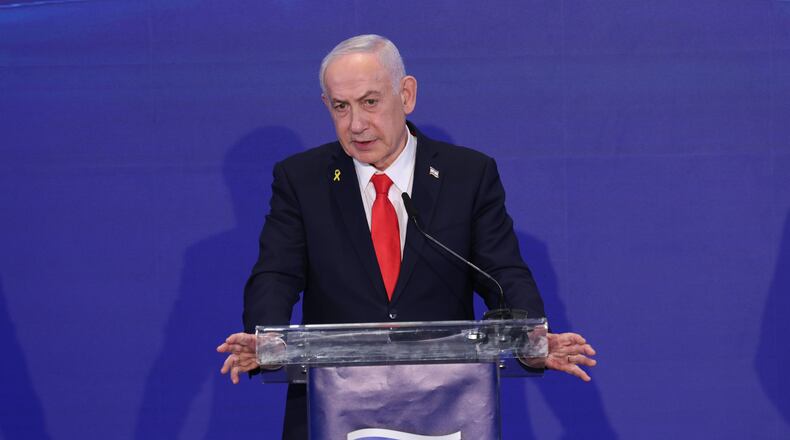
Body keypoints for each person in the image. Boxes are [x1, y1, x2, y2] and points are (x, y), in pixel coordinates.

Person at [217, 34, 597, 439]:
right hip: (334, 411)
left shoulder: (467, 175)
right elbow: (276, 274)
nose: (356, 124)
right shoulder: (301, 180)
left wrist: (531, 340)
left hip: (447, 409)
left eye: (370, 102)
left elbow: (504, 274)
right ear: (327, 106)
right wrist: (267, 336)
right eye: (341, 107)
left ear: (407, 94)